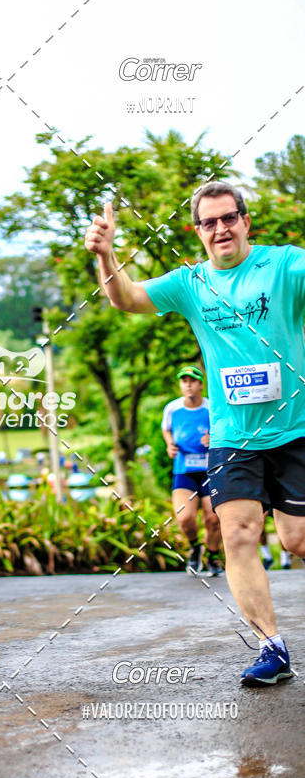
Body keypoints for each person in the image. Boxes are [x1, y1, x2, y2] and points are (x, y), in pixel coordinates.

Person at [85, 182, 305, 687]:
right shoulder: (190, 283)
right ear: (198, 231)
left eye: (229, 218)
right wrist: (106, 253)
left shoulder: (284, 265)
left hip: (295, 429)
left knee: (296, 540)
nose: (221, 229)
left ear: (246, 222)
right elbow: (126, 298)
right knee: (237, 534)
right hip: (231, 436)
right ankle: (271, 646)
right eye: (209, 222)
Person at [161, 366, 223, 576]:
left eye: (192, 380)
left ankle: (213, 557)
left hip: (210, 470)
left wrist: (213, 439)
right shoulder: (172, 408)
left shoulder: (212, 407)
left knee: (213, 519)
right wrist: (170, 444)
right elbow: (166, 428)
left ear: (200, 384)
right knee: (184, 517)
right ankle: (195, 547)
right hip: (184, 469)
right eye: (183, 380)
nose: (187, 384)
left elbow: (225, 430)